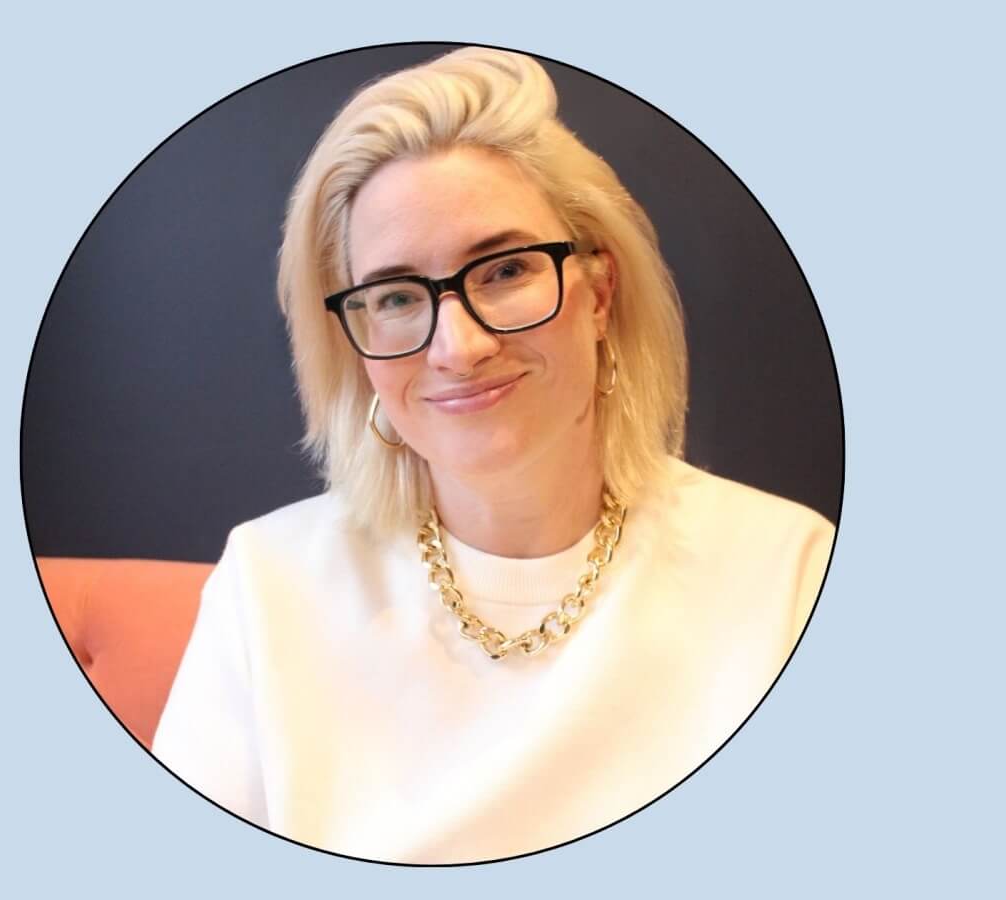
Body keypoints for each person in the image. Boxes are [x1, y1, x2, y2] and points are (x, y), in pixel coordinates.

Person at [150, 47, 836, 865]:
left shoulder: (786, 572)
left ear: (599, 293)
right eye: (397, 296)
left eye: (505, 270)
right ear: (356, 344)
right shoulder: (267, 585)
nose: (459, 346)